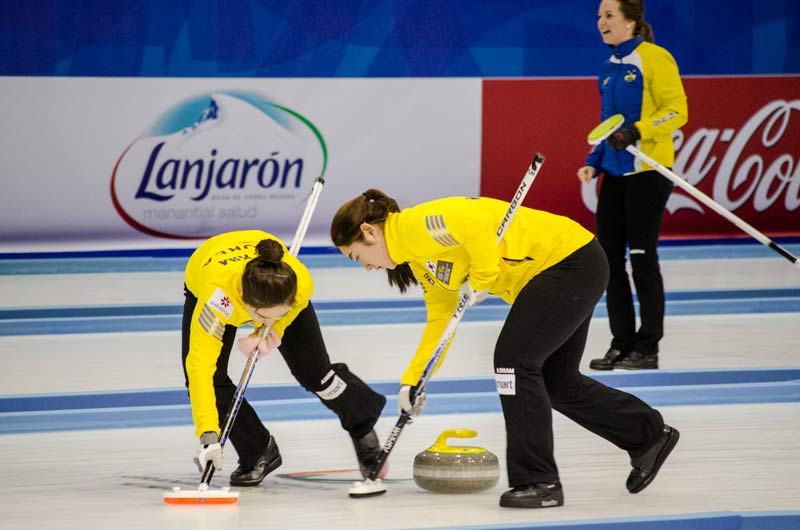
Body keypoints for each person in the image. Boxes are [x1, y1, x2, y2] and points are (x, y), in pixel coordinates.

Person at [330, 190, 679, 508]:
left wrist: (482, 277)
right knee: (557, 382)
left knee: (513, 362)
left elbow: (476, 220)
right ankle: (648, 436)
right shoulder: (420, 260)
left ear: (370, 232)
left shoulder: (412, 227)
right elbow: (441, 317)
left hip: (566, 261)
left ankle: (538, 481)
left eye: (356, 255)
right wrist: (414, 380)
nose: (366, 265)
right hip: (567, 267)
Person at [182, 230, 388, 487]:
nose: (269, 322)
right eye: (263, 318)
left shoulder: (299, 281)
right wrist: (208, 435)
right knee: (211, 380)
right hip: (207, 269)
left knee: (316, 374)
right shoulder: (217, 303)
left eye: (279, 315)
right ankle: (258, 451)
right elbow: (199, 367)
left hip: (272, 287)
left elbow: (290, 310)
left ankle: (361, 422)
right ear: (245, 305)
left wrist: (273, 331)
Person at [577, 0, 688, 370]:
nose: (601, 22)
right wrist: (593, 162)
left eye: (608, 15)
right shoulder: (607, 69)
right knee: (608, 263)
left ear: (631, 21)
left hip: (649, 173)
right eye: (598, 17)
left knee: (642, 261)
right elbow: (605, 125)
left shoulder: (655, 58)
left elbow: (677, 110)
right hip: (614, 174)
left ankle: (648, 347)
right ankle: (620, 343)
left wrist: (639, 130)